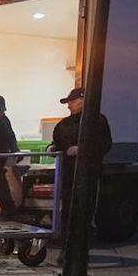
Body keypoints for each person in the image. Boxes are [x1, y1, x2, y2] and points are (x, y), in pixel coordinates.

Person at [51, 87, 112, 236]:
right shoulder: (63, 124)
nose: (68, 106)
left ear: (83, 100)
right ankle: (67, 236)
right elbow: (56, 144)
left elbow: (105, 144)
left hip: (88, 174)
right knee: (67, 207)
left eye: (72, 102)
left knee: (86, 206)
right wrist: (53, 149)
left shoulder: (97, 121)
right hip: (68, 174)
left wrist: (82, 150)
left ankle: (83, 237)